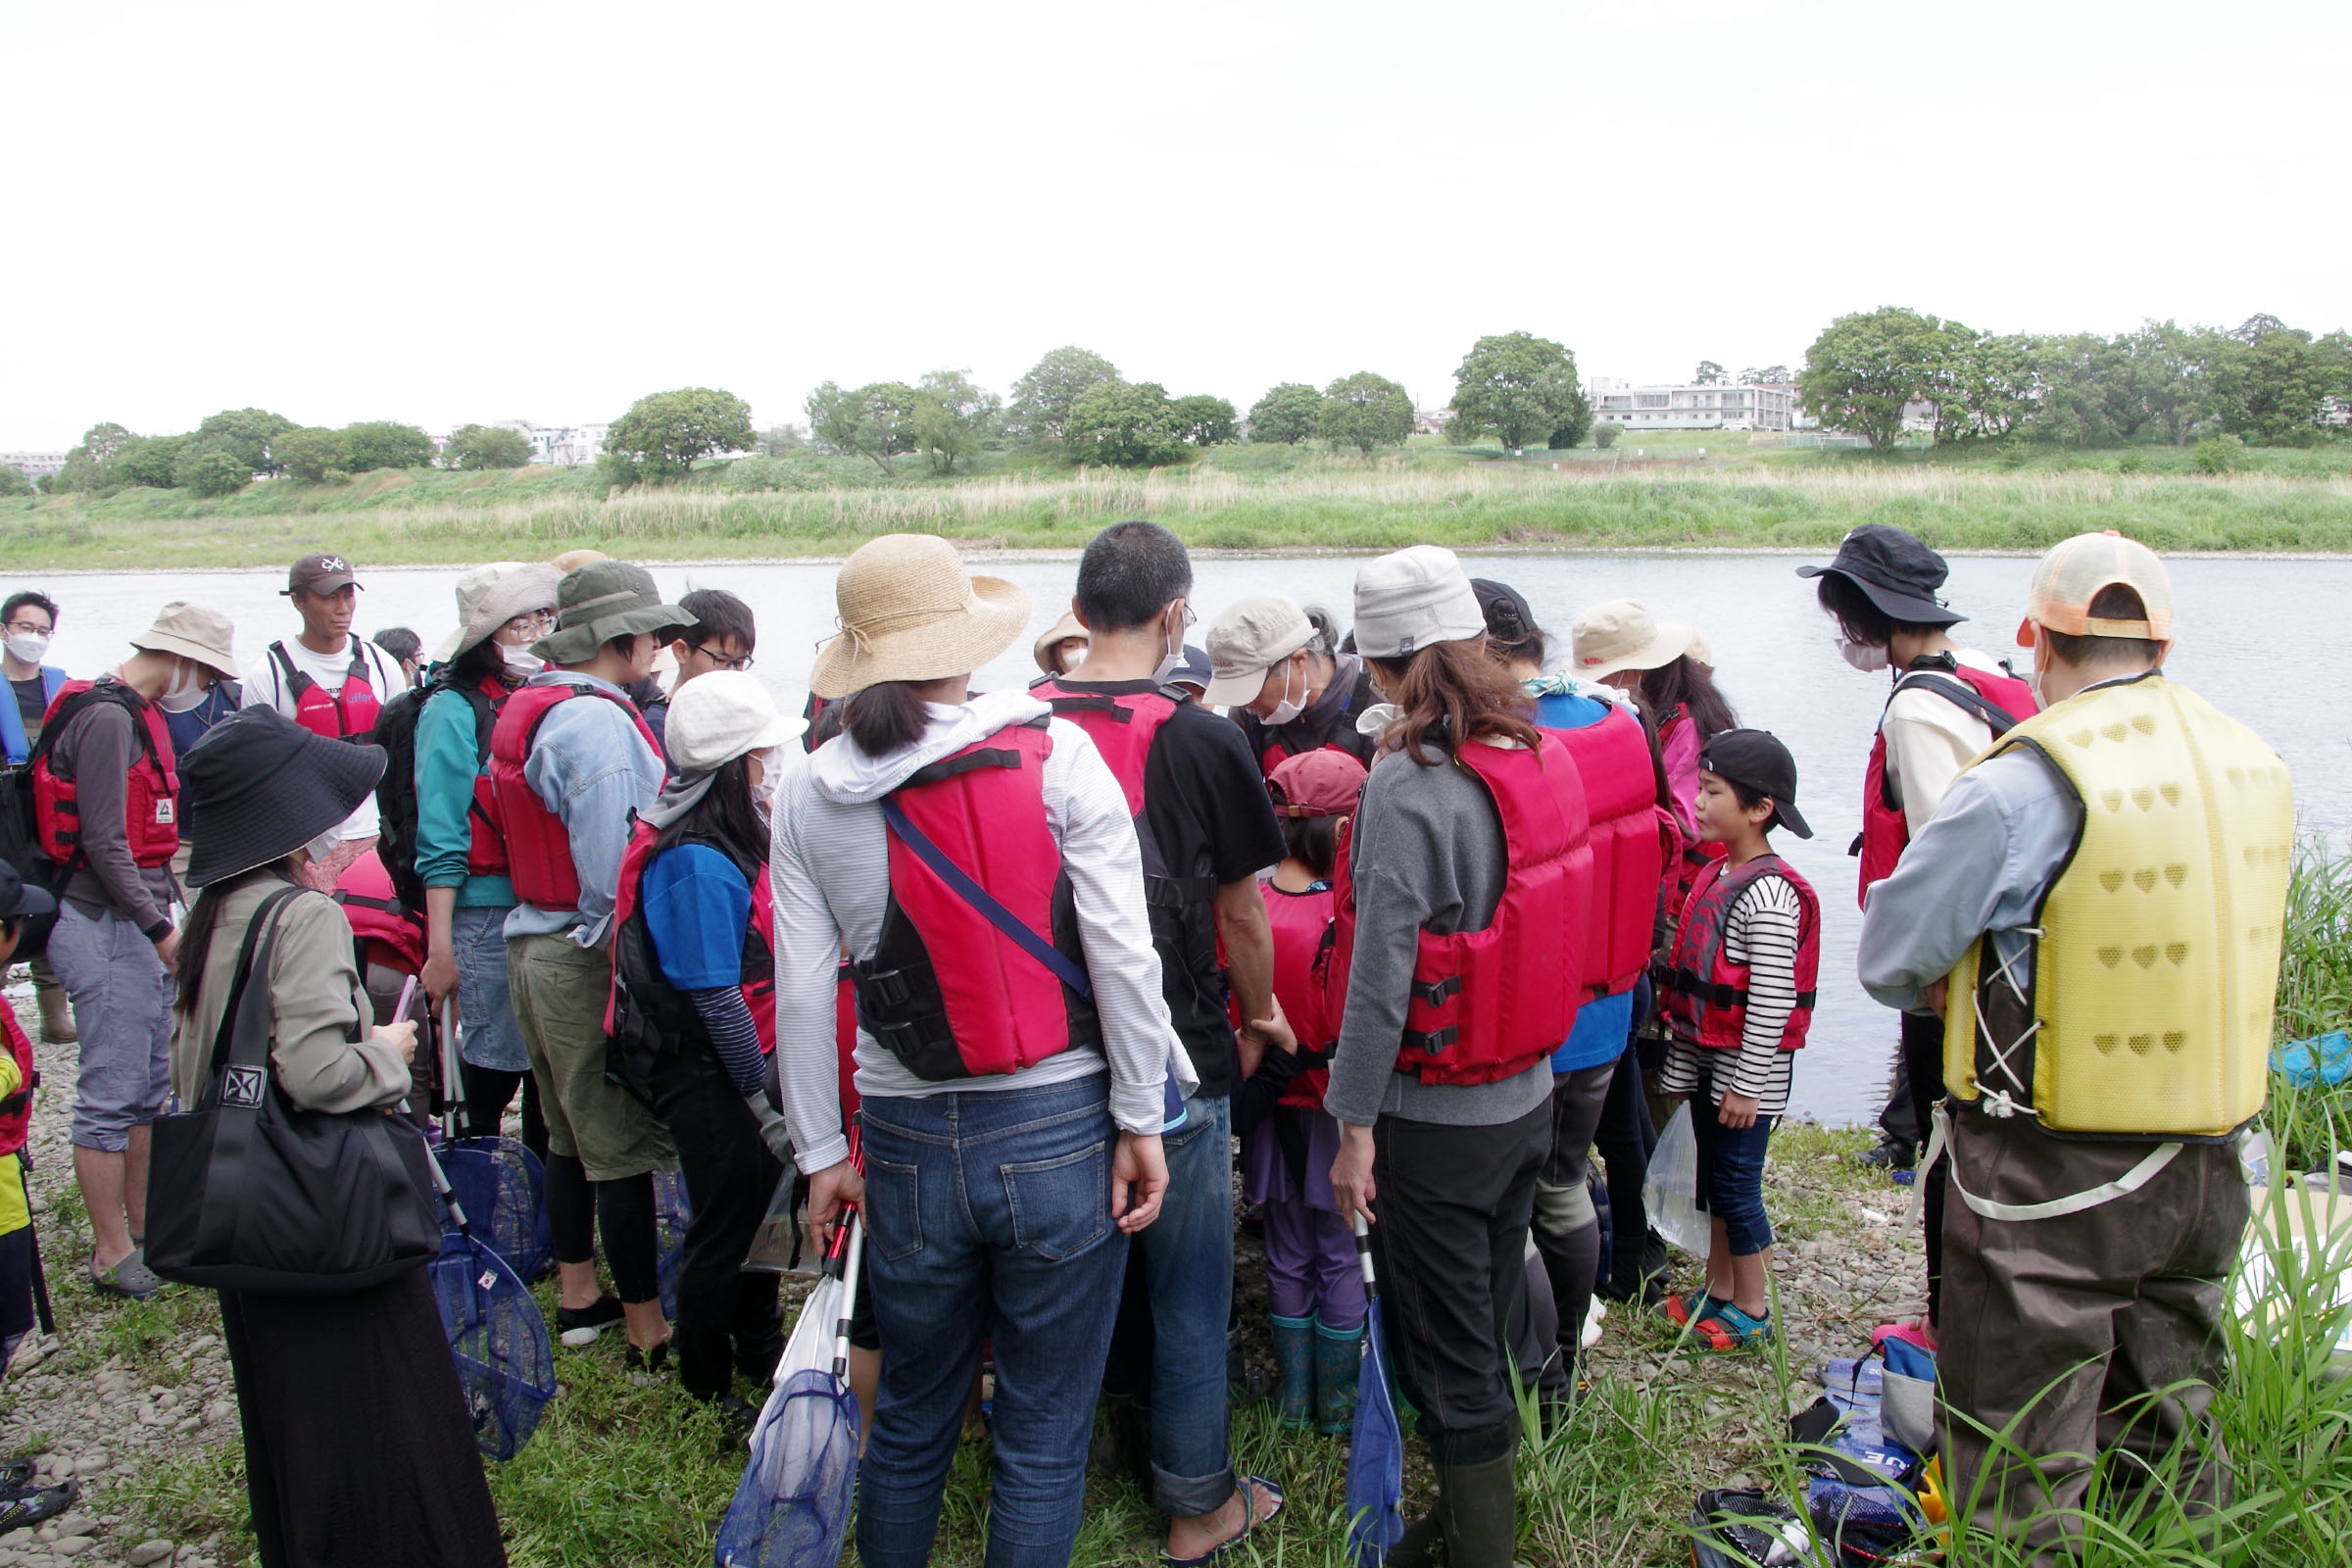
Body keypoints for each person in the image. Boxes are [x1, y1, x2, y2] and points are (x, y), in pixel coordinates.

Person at [1859, 531, 2291, 1560]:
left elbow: (1891, 956)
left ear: (2036, 642)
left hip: (2053, 1176)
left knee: (2017, 1456)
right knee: (2169, 1430)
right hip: (2213, 1162)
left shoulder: (2029, 781)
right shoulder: (2252, 755)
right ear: (2163, 641)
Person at [771, 532, 1178, 1568]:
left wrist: (822, 1153)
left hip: (903, 1136)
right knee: (1041, 1434)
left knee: (908, 1415)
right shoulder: (1056, 750)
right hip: (1057, 1124)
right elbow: (1125, 957)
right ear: (964, 639)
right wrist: (1140, 1118)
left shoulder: (808, 790)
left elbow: (806, 987)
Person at [169, 704, 506, 1568]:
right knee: (388, 1428)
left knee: (301, 1434)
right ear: (293, 820)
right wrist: (391, 1051)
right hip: (328, 1215)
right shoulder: (303, 915)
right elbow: (319, 1074)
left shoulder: (215, 911)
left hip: (251, 1218)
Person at [1322, 546, 1589, 1568]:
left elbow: (1383, 975)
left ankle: (1481, 1543)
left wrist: (1353, 1129)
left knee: (1449, 1348)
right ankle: (1462, 1515)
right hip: (1527, 1098)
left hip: (1434, 1123)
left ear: (1385, 665)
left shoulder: (1408, 780)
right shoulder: (1532, 745)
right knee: (1480, 1309)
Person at [1038, 521, 1289, 1565]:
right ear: (1176, 615)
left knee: (1076, 1275)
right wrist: (1264, 1010)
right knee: (1188, 1283)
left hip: (1047, 1048)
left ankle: (1094, 1451)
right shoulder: (1201, 736)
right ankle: (1198, 1505)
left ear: (1080, 610)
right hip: (1176, 1046)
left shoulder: (1012, 723)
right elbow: (1240, 910)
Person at [1797, 525, 2036, 1334]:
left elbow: (1944, 847)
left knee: (1946, 1140)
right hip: (2023, 950)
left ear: (1874, 616)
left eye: (1847, 618)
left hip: (1961, 966)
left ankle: (1946, 1318)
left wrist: (1936, 975)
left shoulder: (1918, 708)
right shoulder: (1992, 677)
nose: (1845, 638)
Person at [488, 561, 688, 1366]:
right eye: (653, 633)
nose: (660, 647)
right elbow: (612, 871)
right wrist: (635, 978)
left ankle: (579, 1289)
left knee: (567, 1133)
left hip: (530, 941)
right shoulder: (599, 727)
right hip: (579, 952)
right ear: (621, 639)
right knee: (622, 1146)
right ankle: (648, 1328)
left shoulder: (536, 704)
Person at [1475, 576, 1670, 1362]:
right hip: (1606, 1007)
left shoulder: (1491, 738)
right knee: (1562, 1180)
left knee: (1505, 1201)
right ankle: (1568, 1353)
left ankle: (1522, 1364)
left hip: (1522, 1015)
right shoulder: (1621, 720)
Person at [31, 603, 238, 1300]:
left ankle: (149, 1227)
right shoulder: (106, 718)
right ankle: (110, 1250)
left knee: (152, 1080)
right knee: (111, 1089)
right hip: (97, 919)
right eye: (205, 671)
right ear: (180, 659)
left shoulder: (131, 711)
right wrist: (162, 930)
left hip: (131, 914)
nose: (205, 685)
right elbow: (104, 842)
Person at [609, 671, 800, 1423]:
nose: (771, 768)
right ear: (735, 768)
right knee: (724, 1225)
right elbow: (715, 995)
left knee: (759, 1215)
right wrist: (759, 1098)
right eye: (761, 755)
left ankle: (760, 1351)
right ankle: (706, 1384)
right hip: (709, 1072)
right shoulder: (693, 859)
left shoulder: (727, 835)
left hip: (741, 1065)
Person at [1654, 729, 1819, 1353]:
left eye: (1712, 791)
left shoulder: (1769, 894)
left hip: (1746, 1079)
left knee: (1738, 1187)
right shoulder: (1721, 872)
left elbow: (1772, 1001)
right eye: (1700, 787)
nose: (1697, 802)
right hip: (1711, 1071)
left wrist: (1749, 1084)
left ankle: (1753, 1305)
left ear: (1759, 809)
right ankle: (1719, 1288)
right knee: (1713, 1184)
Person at [1242, 748, 1368, 1436]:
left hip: (1268, 1110)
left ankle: (1294, 1404)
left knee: (1286, 1248)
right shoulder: (1345, 919)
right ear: (1342, 830)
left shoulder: (1246, 908)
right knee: (1341, 1248)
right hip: (1336, 1112)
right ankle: (1338, 1410)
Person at [415, 564, 560, 1161]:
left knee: (546, 1077)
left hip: (546, 907)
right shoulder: (451, 710)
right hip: (485, 914)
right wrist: (440, 950)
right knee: (494, 1064)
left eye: (543, 618)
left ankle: (546, 1220)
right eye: (518, 622)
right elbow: (441, 838)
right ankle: (475, 1196)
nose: (535, 632)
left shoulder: (548, 694)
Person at [241, 553, 408, 891]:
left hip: (375, 833)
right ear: (299, 601)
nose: (342, 608)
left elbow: (403, 752)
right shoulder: (267, 675)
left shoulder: (381, 664)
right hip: (306, 844)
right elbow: (257, 772)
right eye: (329, 597)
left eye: (348, 595)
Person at [0, 591, 74, 1047]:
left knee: (55, 893)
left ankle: (54, 1013)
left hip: (46, 804)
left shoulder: (62, 686)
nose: (34, 638)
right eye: (25, 628)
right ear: (5, 630)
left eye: (42, 631)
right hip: (3, 805)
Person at [1202, 595, 1378, 775]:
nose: (1246, 704)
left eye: (1251, 689)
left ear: (1299, 660)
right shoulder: (1248, 714)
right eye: (1236, 692)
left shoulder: (1376, 692)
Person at [639, 586, 758, 761]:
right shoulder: (658, 725)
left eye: (739, 663)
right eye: (721, 660)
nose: (732, 674)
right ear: (681, 651)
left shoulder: (737, 721)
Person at [1031, 609, 1089, 677]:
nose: (1080, 653)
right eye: (1070, 646)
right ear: (1056, 655)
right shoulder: (1045, 688)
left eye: (1088, 645)